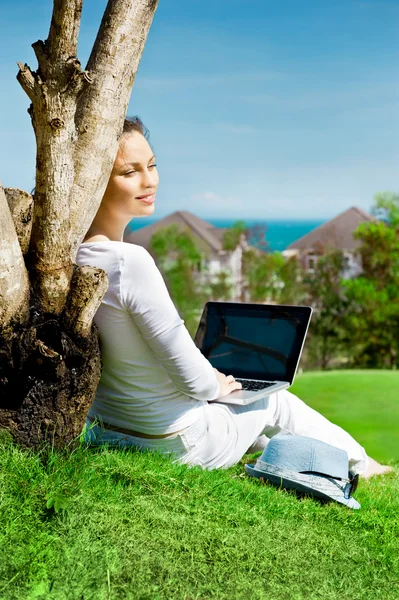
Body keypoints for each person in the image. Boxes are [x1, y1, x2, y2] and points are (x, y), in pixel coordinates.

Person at [76, 116, 391, 478]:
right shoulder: (128, 261)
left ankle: (285, 455)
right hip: (177, 441)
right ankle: (365, 466)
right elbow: (193, 381)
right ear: (94, 179)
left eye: (152, 165)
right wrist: (216, 383)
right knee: (272, 400)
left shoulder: (71, 259)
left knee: (246, 413)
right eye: (129, 172)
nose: (149, 180)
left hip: (109, 433)